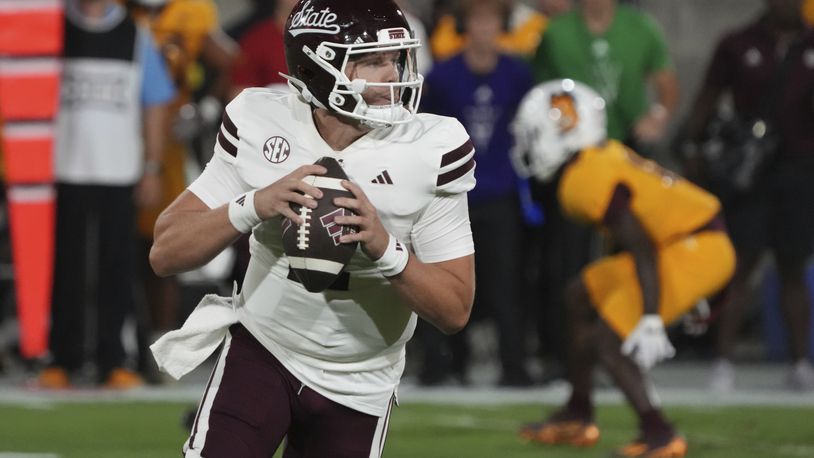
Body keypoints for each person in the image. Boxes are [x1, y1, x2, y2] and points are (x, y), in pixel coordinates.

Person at [148, 0, 476, 456]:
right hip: (264, 349)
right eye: (371, 61)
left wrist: (384, 248)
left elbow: (455, 308)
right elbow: (165, 252)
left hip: (361, 377)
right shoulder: (262, 120)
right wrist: (255, 204)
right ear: (320, 65)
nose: (392, 74)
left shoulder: (431, 147)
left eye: (395, 58)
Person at [512, 79, 735, 457]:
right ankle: (578, 412)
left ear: (562, 130)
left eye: (535, 134)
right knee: (579, 294)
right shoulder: (598, 158)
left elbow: (641, 247)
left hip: (693, 247)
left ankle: (660, 433)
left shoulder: (584, 178)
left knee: (608, 340)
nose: (529, 144)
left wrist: (649, 318)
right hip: (688, 242)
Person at [37, 0, 176, 390]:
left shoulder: (136, 35)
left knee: (117, 268)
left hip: (119, 171)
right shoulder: (52, 31)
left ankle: (114, 360)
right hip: (60, 170)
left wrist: (151, 166)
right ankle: (61, 359)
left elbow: (155, 102)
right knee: (63, 268)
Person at [680, 0, 814, 392]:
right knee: (738, 266)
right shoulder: (738, 43)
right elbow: (707, 96)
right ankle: (722, 362)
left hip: (799, 169)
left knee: (793, 267)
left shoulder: (809, 44)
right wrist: (690, 146)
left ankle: (800, 362)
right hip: (749, 173)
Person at [420, 0, 534, 387]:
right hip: (452, 194)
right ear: (465, 26)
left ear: (501, 26)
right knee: (446, 281)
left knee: (505, 285)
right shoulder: (443, 74)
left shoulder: (519, 74)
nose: (484, 28)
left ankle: (514, 368)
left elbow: (532, 125)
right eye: (477, 20)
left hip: (500, 192)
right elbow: (425, 127)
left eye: (491, 20)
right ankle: (443, 368)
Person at [127, 0, 238, 383]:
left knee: (158, 246)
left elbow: (229, 60)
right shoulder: (116, 13)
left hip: (166, 140)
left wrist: (206, 105)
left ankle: (157, 338)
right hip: (116, 134)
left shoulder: (190, 12)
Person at [531, 0, 678, 150]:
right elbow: (540, 89)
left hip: (630, 140)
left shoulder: (642, 27)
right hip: (574, 141)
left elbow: (667, 81)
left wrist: (657, 115)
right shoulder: (555, 33)